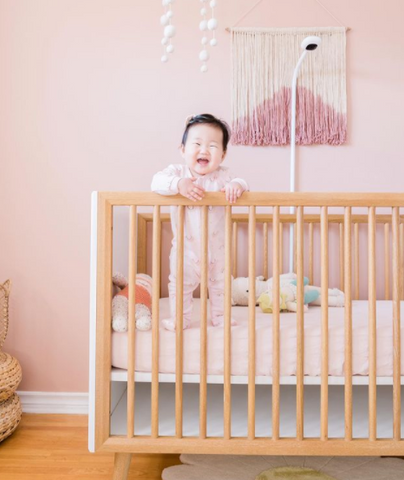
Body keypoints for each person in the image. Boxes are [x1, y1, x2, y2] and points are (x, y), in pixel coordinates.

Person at [151, 114, 249, 330]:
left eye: (213, 146)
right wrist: (178, 185)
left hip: (217, 252)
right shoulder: (177, 172)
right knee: (179, 286)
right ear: (183, 149)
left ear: (222, 155)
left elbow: (242, 182)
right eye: (197, 144)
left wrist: (237, 186)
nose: (204, 150)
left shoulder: (223, 177)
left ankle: (221, 317)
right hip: (185, 252)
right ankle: (180, 319)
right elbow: (155, 182)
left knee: (220, 286)